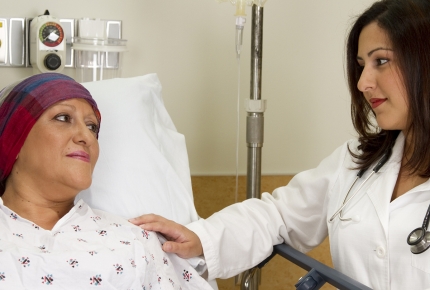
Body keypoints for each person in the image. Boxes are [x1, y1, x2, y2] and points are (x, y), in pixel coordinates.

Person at [129, 0, 430, 289]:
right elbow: (278, 217)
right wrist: (200, 238)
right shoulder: (356, 163)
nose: (363, 82)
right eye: (362, 65)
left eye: (381, 61)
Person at [0, 73, 212, 290]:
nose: (87, 136)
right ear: (13, 140)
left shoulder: (135, 241)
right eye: (64, 118)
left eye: (92, 127)